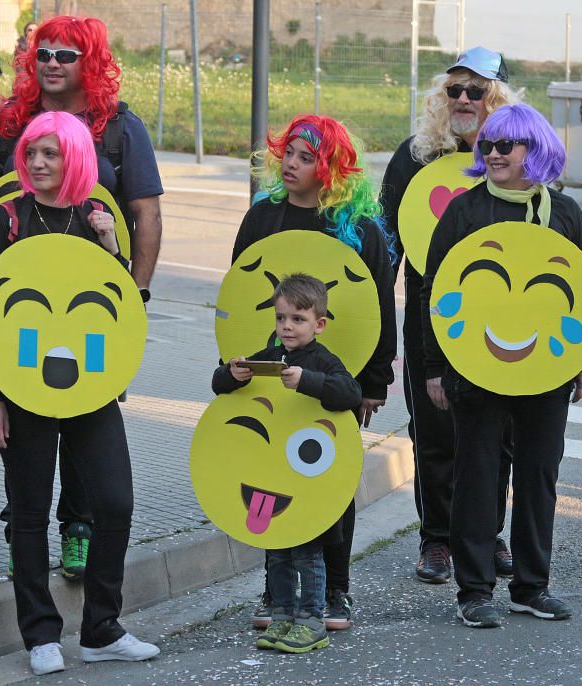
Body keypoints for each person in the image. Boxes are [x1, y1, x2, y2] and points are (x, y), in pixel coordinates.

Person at [0, 15, 165, 581]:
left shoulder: (120, 128)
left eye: (67, 54)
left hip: (92, 306)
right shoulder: (6, 123)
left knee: (88, 410)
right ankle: (26, 514)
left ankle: (78, 526)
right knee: (18, 415)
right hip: (17, 305)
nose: (54, 63)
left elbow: (145, 212)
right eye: (45, 53)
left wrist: (133, 292)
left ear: (88, 60)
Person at [0, 111, 159, 675]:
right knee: (27, 514)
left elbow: (116, 310)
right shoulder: (3, 221)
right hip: (21, 384)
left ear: (74, 157)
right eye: (31, 153)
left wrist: (111, 248)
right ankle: (40, 635)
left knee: (114, 502)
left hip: (90, 387)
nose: (37, 163)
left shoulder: (95, 220)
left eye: (50, 154)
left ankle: (101, 628)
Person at [421, 103, 582, 627]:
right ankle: (474, 591)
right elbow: (438, 290)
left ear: (534, 151)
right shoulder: (465, 210)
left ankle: (531, 586)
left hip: (547, 368)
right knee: (477, 476)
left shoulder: (563, 213)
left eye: (507, 146)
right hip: (475, 368)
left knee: (538, 476)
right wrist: (435, 368)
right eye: (489, 145)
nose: (494, 154)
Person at [234, 114, 396, 631]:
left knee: (331, 482)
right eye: (289, 154)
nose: (292, 165)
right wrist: (240, 365)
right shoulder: (263, 218)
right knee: (271, 475)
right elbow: (237, 295)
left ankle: (336, 591)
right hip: (272, 377)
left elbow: (377, 308)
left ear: (330, 169)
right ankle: (276, 591)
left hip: (335, 381)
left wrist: (374, 384)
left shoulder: (359, 228)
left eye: (307, 158)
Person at [379, 46, 519, 584]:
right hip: (428, 309)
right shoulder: (415, 157)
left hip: (500, 310)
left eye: (475, 90)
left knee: (497, 427)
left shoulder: (514, 155)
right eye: (453, 89)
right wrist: (380, 332)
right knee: (434, 426)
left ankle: (488, 533)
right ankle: (437, 538)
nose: (462, 98)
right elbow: (387, 243)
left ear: (496, 98)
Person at [212, 274, 363, 654]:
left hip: (308, 480)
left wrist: (309, 380)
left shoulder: (325, 362)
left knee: (309, 551)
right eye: (281, 318)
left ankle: (311, 620)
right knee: (277, 550)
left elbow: (350, 393)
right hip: (273, 475)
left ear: (319, 324)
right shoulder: (268, 357)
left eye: (297, 319)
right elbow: (219, 386)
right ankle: (282, 615)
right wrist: (232, 374)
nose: (287, 327)